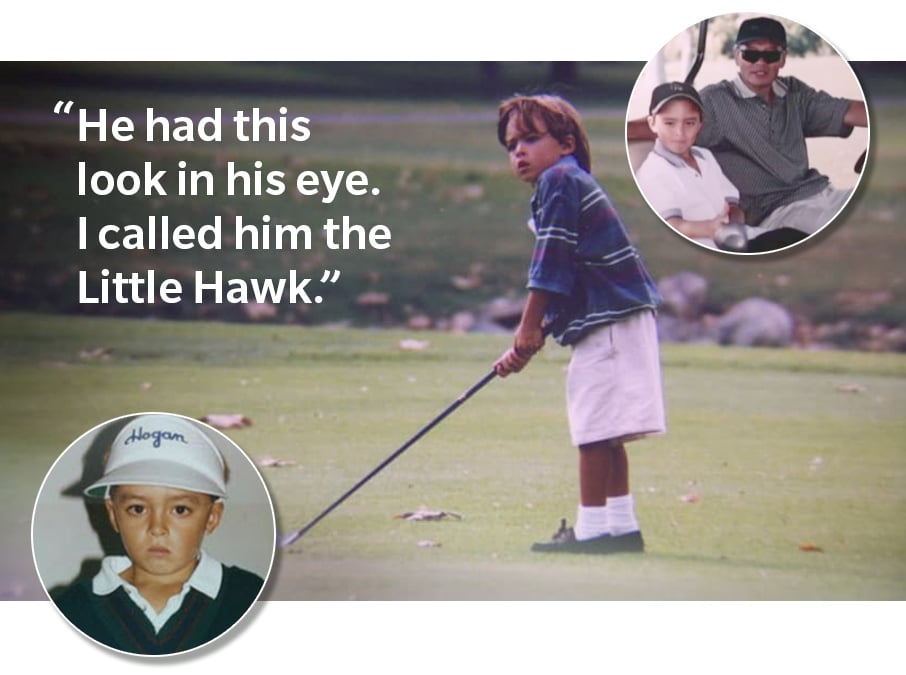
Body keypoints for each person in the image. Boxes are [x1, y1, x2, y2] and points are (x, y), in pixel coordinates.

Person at [494, 94, 666, 554]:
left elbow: (549, 261)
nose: (519, 152)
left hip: (611, 315)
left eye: (531, 139)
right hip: (617, 312)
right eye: (511, 146)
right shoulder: (565, 182)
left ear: (566, 143)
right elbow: (568, 271)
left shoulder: (560, 180)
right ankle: (620, 528)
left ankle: (591, 533)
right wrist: (532, 335)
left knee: (593, 426)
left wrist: (528, 329)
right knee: (606, 429)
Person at [628, 16, 868, 246]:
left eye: (770, 54)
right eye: (750, 54)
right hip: (777, 212)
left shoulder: (794, 92)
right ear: (736, 56)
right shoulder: (717, 101)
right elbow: (668, 122)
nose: (760, 63)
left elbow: (848, 110)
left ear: (783, 58)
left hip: (823, 192)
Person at [50, 414, 265, 655]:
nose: (157, 528)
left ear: (212, 516)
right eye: (138, 509)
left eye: (180, 510)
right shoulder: (71, 608)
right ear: (113, 514)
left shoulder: (251, 596)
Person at [635, 80, 757, 251]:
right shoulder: (653, 172)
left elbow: (732, 203)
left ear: (700, 124)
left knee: (789, 235)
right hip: (703, 246)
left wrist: (733, 222)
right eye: (669, 123)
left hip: (735, 237)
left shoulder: (704, 156)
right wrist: (712, 228)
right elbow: (673, 225)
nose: (680, 133)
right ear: (652, 123)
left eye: (690, 123)